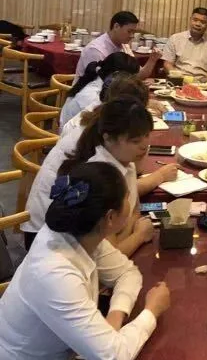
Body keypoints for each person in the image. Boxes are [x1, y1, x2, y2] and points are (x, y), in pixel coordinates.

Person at [0, 161, 170, 360]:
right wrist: (152, 310)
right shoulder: (54, 272)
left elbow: (128, 273)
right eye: (127, 197)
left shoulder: (80, 235)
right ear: (111, 217)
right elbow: (113, 359)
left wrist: (115, 316)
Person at [23, 97, 175, 254]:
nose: (145, 146)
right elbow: (108, 256)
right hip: (59, 252)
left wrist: (125, 232)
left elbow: (134, 211)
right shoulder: (99, 176)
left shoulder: (124, 160)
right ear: (108, 138)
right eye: (135, 141)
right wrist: (139, 235)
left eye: (147, 135)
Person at [60, 52, 140, 129]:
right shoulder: (94, 97)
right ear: (116, 75)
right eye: (132, 78)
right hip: (74, 134)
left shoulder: (94, 79)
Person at [75, 10, 159, 80]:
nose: (132, 36)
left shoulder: (124, 46)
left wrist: (152, 59)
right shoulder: (96, 49)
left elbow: (138, 74)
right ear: (116, 26)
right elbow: (98, 83)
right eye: (129, 31)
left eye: (134, 32)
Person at [162, 7, 207, 82]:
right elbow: (167, 64)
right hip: (178, 81)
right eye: (195, 20)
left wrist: (202, 82)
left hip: (202, 82)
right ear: (190, 20)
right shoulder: (175, 39)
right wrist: (179, 78)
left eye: (203, 22)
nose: (198, 24)